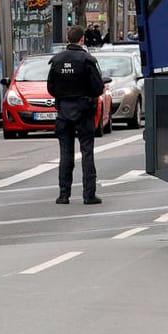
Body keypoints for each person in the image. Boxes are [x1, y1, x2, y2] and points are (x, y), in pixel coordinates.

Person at [47, 25, 104, 206]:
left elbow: (50, 88)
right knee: (87, 153)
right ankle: (89, 195)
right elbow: (98, 87)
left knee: (65, 154)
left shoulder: (56, 61)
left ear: (67, 38)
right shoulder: (87, 60)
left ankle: (64, 195)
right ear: (82, 40)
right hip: (84, 112)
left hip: (63, 112)